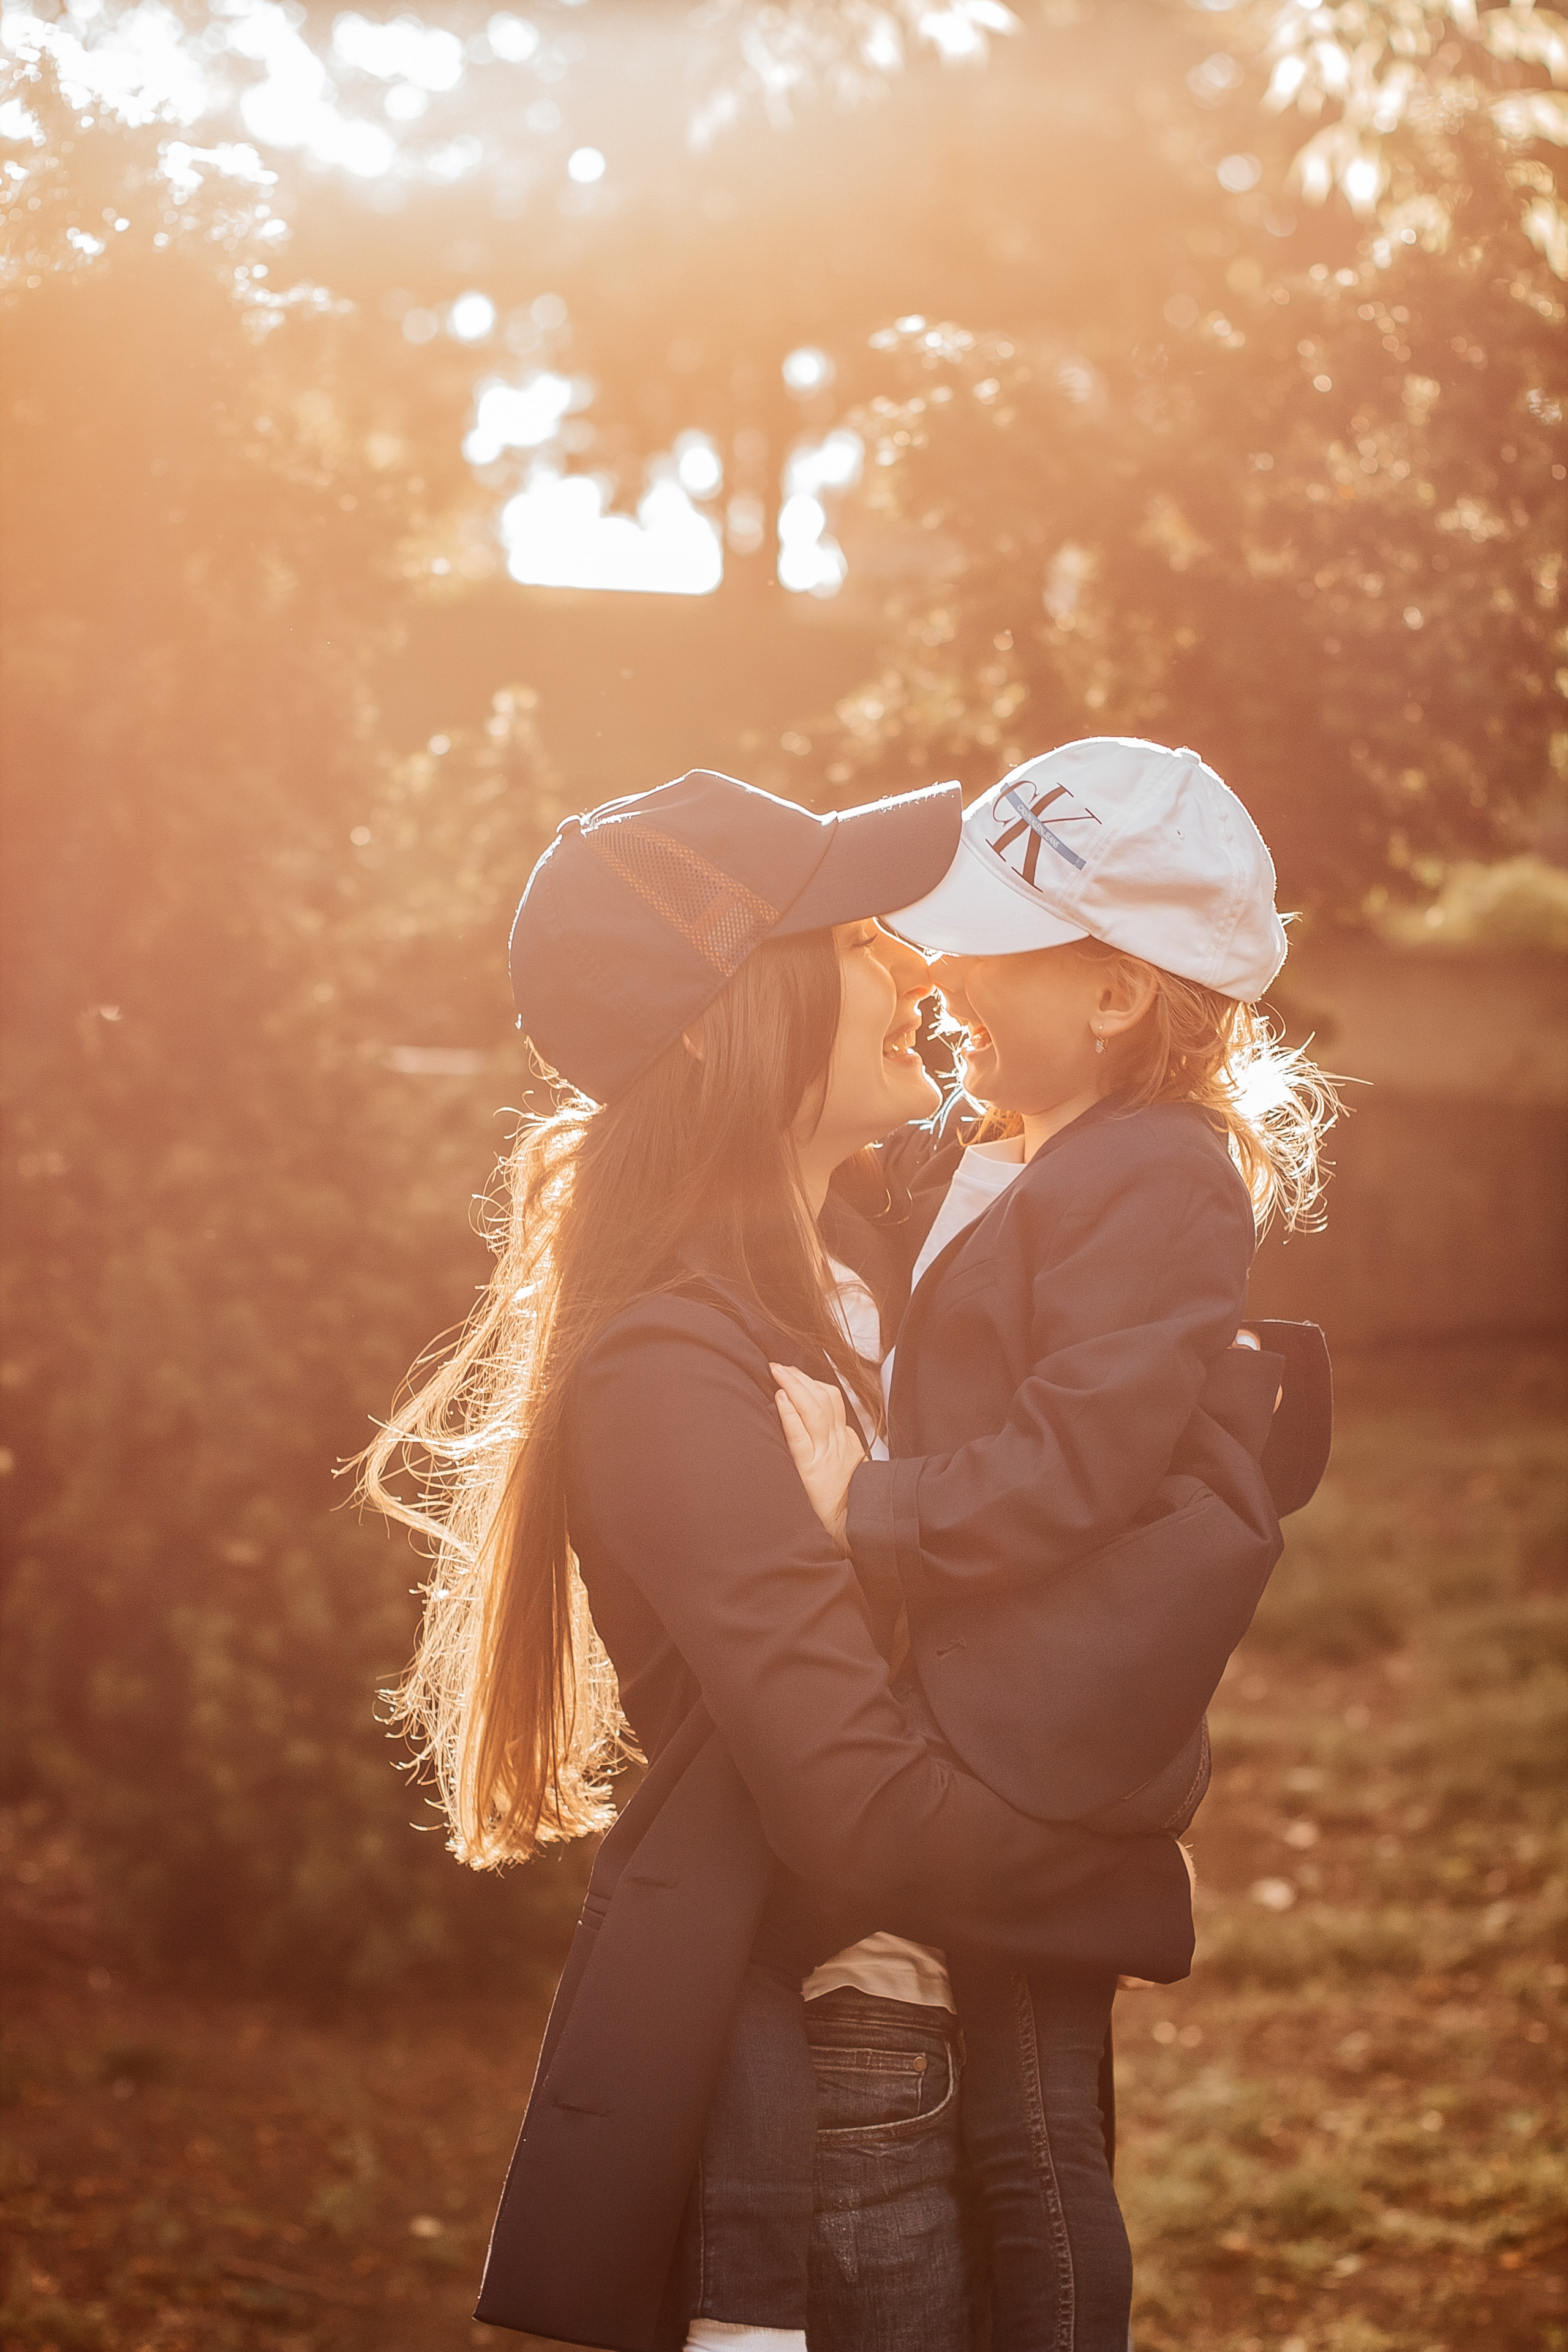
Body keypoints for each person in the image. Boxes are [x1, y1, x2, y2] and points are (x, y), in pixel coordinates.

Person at [359, 766, 1300, 2352]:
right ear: (746, 1012)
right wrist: (1131, 1885)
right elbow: (854, 1809)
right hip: (859, 2079)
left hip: (963, 2032)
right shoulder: (674, 1372)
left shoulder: (882, 1270)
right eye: (865, 935)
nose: (921, 966)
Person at [706, 738, 1333, 2352]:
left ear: (1118, 996)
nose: (940, 967)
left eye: (987, 942)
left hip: (1048, 1725)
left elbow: (1079, 1466)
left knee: (1037, 2140)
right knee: (840, 2000)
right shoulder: (996, 1145)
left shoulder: (1164, 1177)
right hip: (986, 1692)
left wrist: (865, 1511)